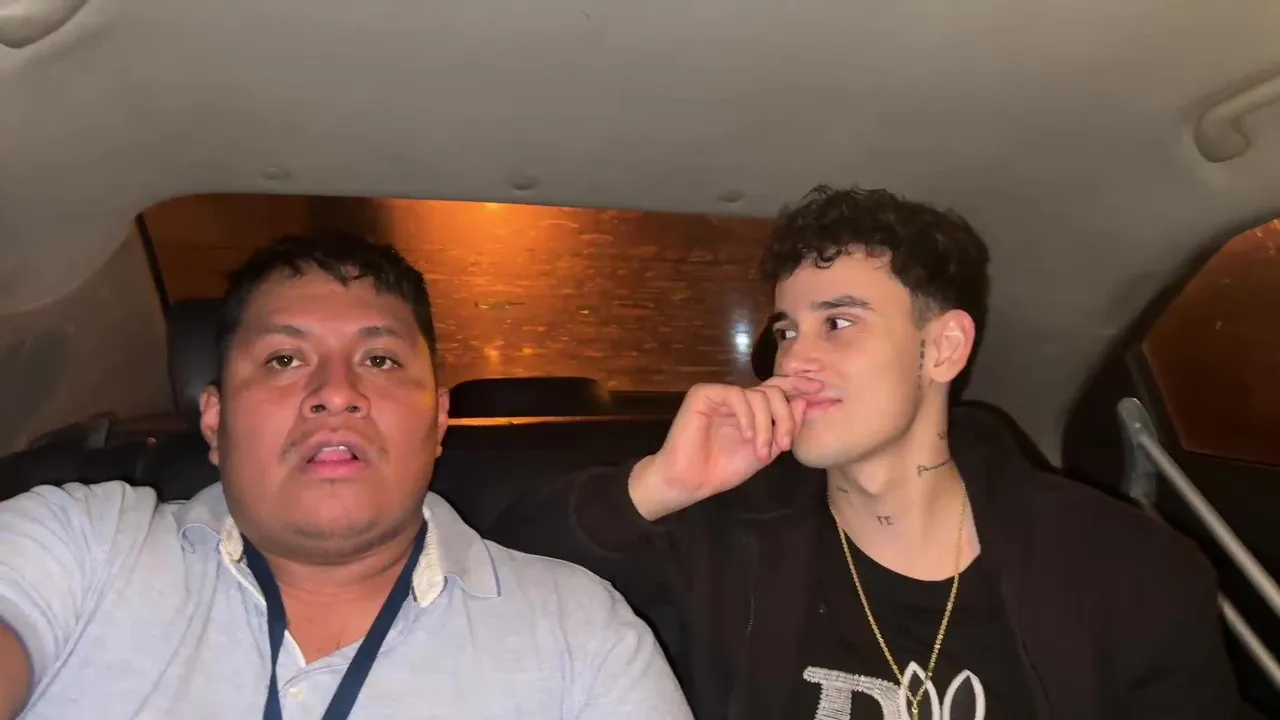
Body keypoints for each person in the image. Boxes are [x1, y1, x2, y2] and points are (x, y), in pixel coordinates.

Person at [488, 185, 1246, 720]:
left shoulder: (1124, 568)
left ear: (942, 348)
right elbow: (498, 586)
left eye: (839, 323)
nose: (795, 360)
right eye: (787, 331)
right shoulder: (719, 541)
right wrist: (659, 484)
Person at [0, 232, 691, 720]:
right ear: (215, 418)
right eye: (283, 360)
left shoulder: (579, 631)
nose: (336, 392)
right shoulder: (80, 542)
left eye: (380, 361)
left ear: (437, 421)